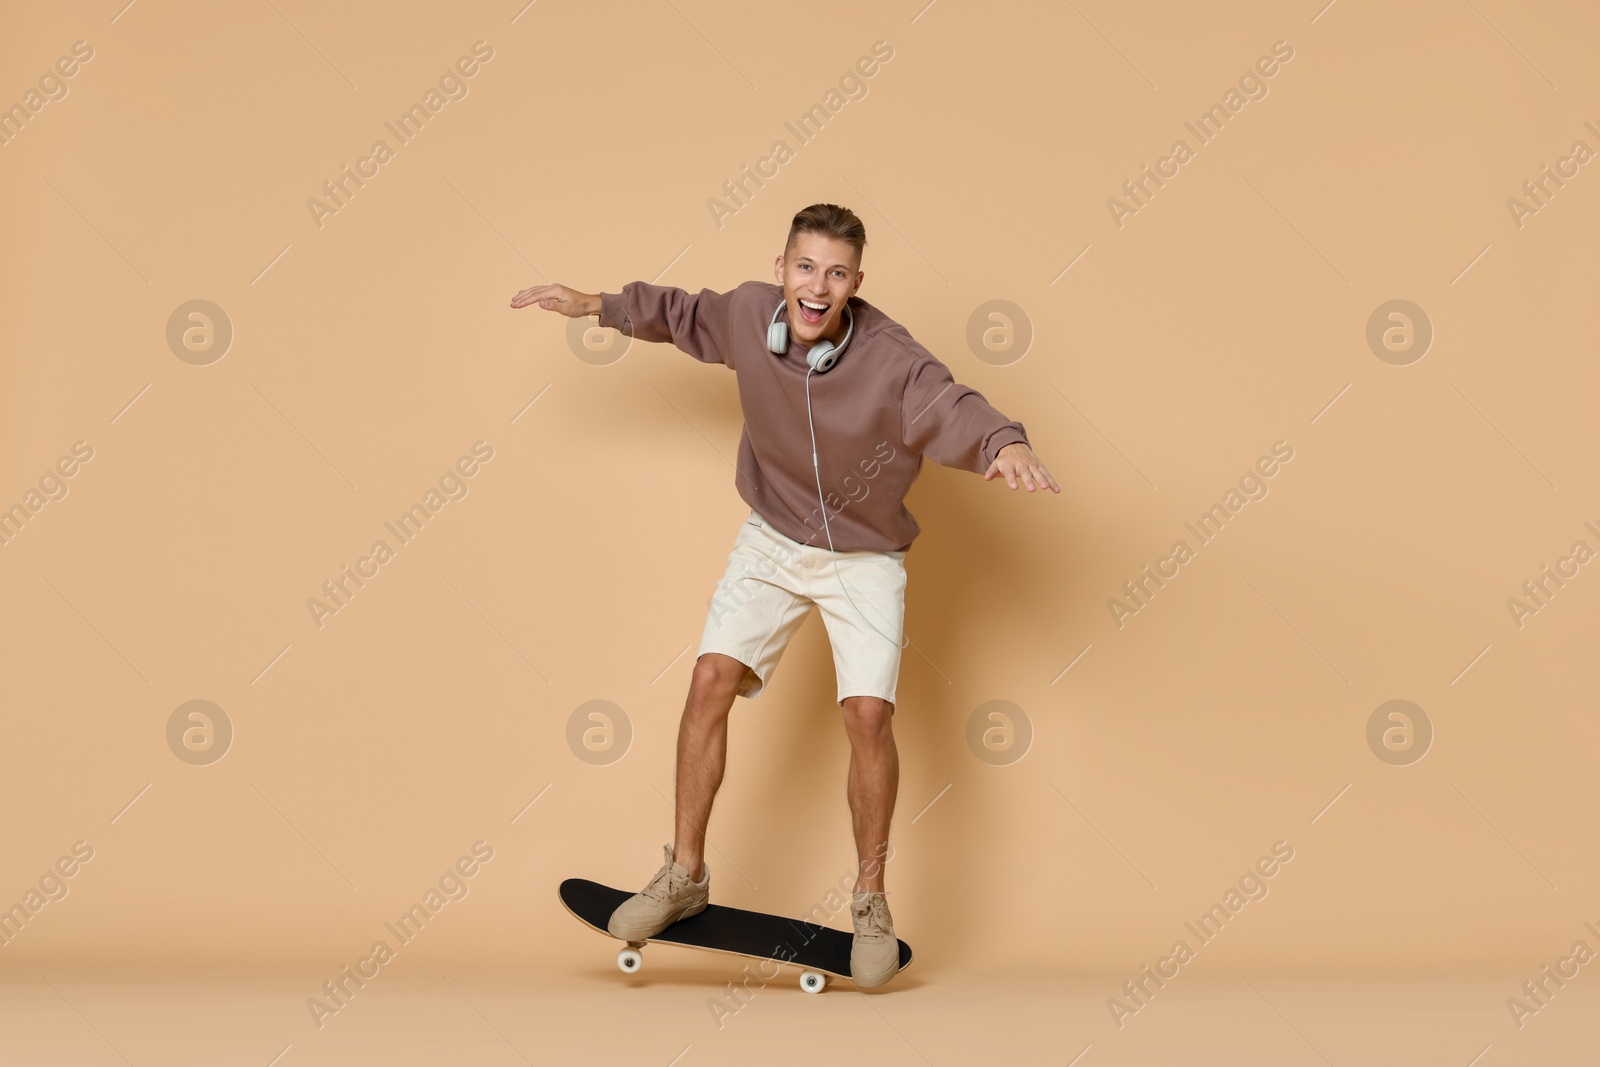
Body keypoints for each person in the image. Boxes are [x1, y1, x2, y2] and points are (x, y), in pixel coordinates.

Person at [511, 203, 1058, 988]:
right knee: (708, 679)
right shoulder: (745, 315)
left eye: (836, 273)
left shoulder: (891, 361)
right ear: (781, 268)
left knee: (867, 716)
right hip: (772, 537)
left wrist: (1004, 441)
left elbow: (950, 403)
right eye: (805, 267)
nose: (817, 286)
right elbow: (677, 313)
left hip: (863, 557)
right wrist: (594, 304)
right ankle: (685, 875)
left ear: (855, 284)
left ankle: (870, 901)